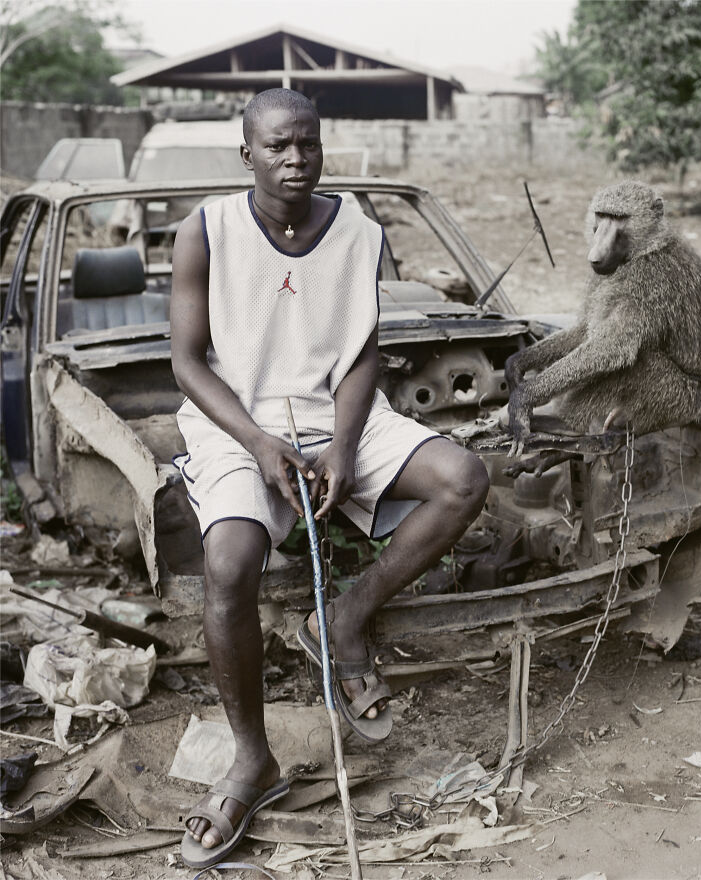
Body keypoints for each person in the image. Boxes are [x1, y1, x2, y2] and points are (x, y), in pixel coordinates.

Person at [169, 88, 489, 868]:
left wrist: (343, 448)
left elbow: (361, 352)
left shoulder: (358, 229)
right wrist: (260, 443)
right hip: (238, 420)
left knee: (464, 477)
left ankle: (342, 620)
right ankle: (252, 760)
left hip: (340, 416)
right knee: (229, 563)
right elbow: (186, 363)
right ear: (247, 153)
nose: (295, 159)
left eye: (307, 143)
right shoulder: (204, 230)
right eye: (277, 146)